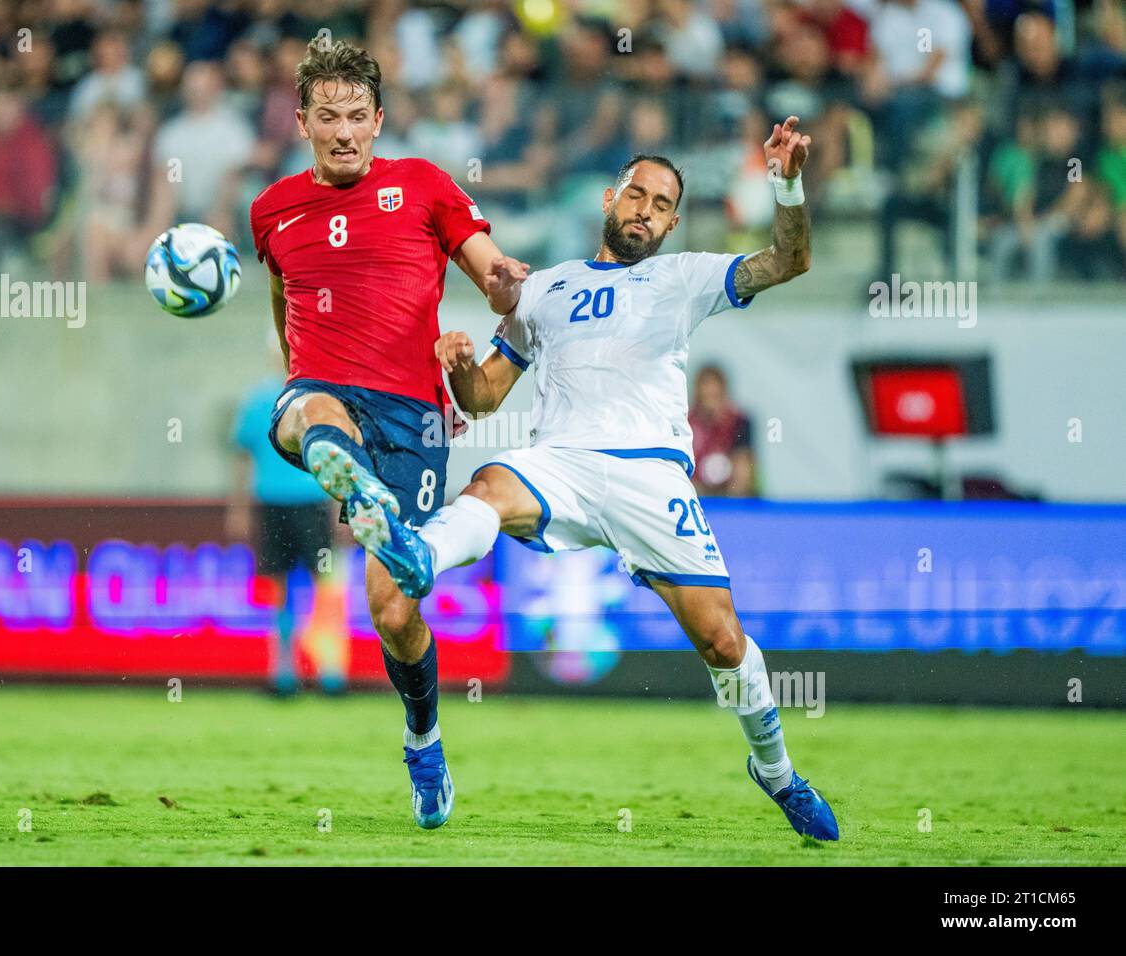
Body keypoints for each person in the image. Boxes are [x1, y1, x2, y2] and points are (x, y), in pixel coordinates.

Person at [366, 122, 841, 841]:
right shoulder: (542, 289)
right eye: (637, 194)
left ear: (674, 221)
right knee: (490, 485)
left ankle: (775, 771)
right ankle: (420, 557)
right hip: (560, 460)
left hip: (651, 474)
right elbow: (484, 398)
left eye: (662, 203)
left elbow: (791, 259)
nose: (646, 210)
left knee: (721, 643)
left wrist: (786, 183)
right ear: (608, 198)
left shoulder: (683, 278)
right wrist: (458, 363)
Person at [248, 39, 528, 830]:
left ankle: (424, 740)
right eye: (327, 117)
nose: (344, 132)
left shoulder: (424, 186)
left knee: (394, 611)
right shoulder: (272, 209)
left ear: (380, 119)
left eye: (357, 117)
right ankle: (341, 466)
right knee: (313, 419)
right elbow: (283, 295)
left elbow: (493, 271)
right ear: (302, 120)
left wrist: (516, 285)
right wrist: (295, 376)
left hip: (413, 412)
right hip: (323, 388)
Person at [229, 375, 343, 696]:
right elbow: (243, 458)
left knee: (322, 589)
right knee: (283, 590)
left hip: (308, 503)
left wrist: (338, 507)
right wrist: (238, 507)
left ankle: (329, 671)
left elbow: (334, 454)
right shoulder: (261, 401)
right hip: (276, 503)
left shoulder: (316, 396)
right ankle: (284, 672)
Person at [689, 364, 757, 497]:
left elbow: (743, 469)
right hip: (697, 493)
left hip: (729, 495)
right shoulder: (686, 424)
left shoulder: (739, 422)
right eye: (706, 394)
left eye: (715, 395)